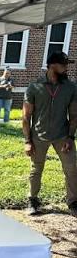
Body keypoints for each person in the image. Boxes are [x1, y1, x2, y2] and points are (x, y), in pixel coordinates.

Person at [23, 51, 77, 217]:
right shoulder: (35, 87)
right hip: (39, 136)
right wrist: (27, 141)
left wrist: (70, 137)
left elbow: (74, 115)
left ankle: (73, 202)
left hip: (62, 136)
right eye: (64, 65)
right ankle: (32, 200)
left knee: (71, 168)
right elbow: (26, 116)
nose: (66, 68)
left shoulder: (70, 87)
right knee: (36, 169)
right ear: (52, 65)